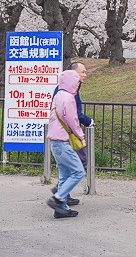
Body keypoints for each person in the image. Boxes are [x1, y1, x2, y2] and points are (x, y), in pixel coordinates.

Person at [46, 69, 85, 219]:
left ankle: (61, 209)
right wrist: (80, 136)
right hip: (63, 142)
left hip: (55, 142)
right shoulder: (68, 98)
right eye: (76, 82)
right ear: (70, 82)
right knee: (78, 172)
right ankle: (58, 199)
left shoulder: (57, 96)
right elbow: (73, 121)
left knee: (64, 175)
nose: (77, 85)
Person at [52, 62, 94, 200]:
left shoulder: (62, 92)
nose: (85, 75)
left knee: (65, 170)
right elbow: (73, 118)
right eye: (82, 72)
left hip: (58, 136)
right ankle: (60, 195)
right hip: (65, 136)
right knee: (78, 169)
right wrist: (82, 133)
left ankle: (61, 199)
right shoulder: (68, 95)